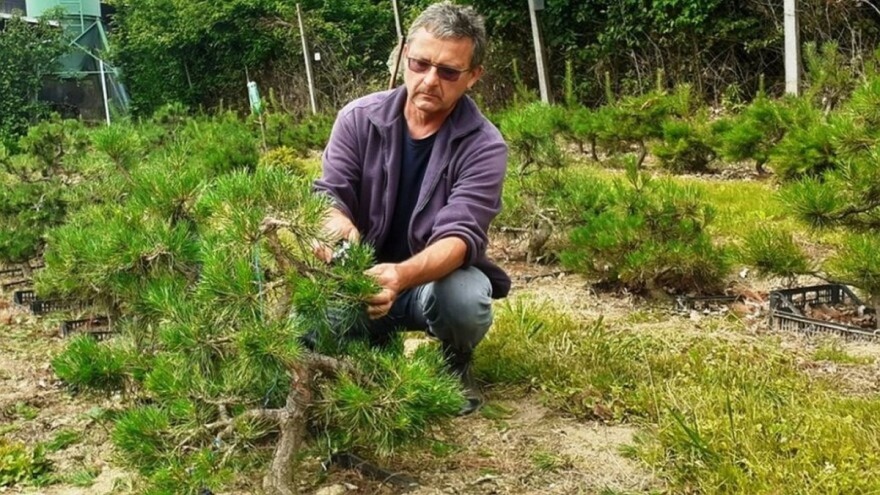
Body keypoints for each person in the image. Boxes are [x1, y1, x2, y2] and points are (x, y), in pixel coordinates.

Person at [313, 1, 509, 415]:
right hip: (361, 278)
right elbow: (328, 195)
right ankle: (371, 349)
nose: (430, 80)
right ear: (404, 54)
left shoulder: (484, 146)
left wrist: (400, 276)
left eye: (449, 72)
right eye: (420, 64)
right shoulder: (357, 119)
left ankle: (455, 361)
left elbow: (461, 237)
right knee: (311, 323)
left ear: (473, 77)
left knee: (465, 297)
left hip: (428, 284)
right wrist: (336, 228)